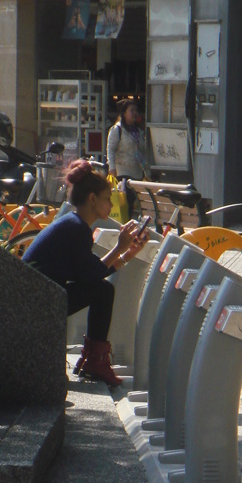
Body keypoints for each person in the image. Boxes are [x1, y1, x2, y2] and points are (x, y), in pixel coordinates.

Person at [22, 159, 149, 388]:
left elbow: (91, 273)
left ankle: (94, 359)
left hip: (37, 295)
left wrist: (127, 254)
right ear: (92, 199)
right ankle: (95, 361)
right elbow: (93, 276)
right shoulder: (77, 228)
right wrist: (121, 248)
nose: (111, 206)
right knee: (103, 291)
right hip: (38, 299)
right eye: (107, 199)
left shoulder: (73, 223)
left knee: (102, 290)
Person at [106, 99, 147, 214]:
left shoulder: (139, 131)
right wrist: (112, 169)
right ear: (124, 113)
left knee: (135, 205)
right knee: (126, 204)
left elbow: (143, 151)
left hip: (137, 173)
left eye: (136, 110)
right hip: (123, 172)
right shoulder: (117, 129)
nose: (135, 113)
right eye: (131, 110)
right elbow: (110, 150)